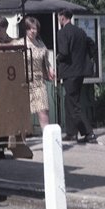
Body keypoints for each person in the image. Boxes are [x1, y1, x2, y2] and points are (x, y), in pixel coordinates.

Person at [56, 9, 97, 144]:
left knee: (73, 104)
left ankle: (88, 133)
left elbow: (64, 52)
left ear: (62, 18)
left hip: (69, 72)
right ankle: (71, 132)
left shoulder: (62, 33)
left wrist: (57, 58)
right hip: (80, 72)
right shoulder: (80, 31)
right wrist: (87, 59)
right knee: (70, 101)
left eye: (58, 18)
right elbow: (92, 44)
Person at [17, 16, 54, 129]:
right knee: (23, 113)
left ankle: (47, 141)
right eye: (30, 28)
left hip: (39, 81)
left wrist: (50, 69)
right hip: (24, 81)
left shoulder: (41, 44)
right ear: (26, 29)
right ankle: (21, 141)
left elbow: (46, 61)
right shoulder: (20, 44)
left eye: (35, 28)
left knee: (43, 111)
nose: (32, 31)